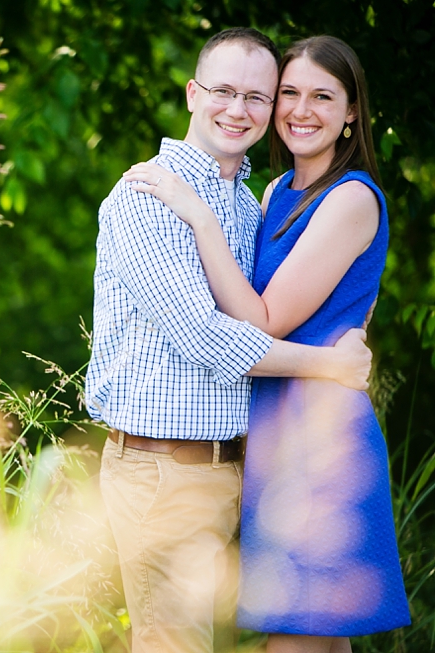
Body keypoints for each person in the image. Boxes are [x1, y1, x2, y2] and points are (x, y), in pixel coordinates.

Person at [85, 28, 376, 653]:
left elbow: (293, 303)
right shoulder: (148, 197)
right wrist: (329, 366)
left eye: (257, 96)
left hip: (247, 465)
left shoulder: (251, 205)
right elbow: (205, 338)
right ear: (193, 94)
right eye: (223, 91)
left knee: (311, 636)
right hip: (165, 467)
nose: (238, 110)